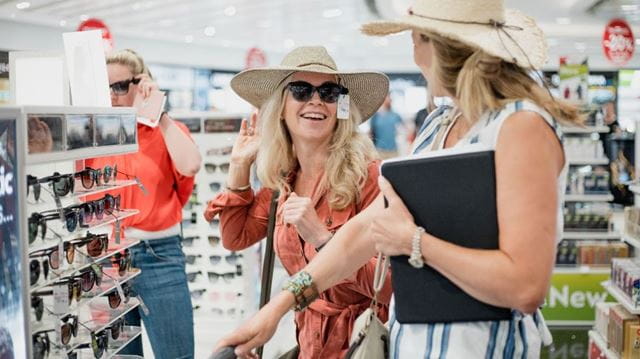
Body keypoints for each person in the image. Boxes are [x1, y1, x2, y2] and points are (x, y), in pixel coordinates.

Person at [214, 0, 583, 358]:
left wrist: (415, 243)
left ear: (437, 46)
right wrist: (278, 306)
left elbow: (525, 286)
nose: (413, 52)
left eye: (416, 38)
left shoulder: (519, 127)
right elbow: (361, 232)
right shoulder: (439, 125)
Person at [204, 46, 392, 358]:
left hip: (360, 344)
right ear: (280, 107)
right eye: (301, 90)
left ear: (340, 106)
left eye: (329, 92)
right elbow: (235, 238)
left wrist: (322, 238)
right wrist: (239, 168)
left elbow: (390, 286)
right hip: (309, 343)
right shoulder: (282, 183)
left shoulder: (368, 177)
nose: (316, 100)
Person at [86, 49, 201, 359]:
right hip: (104, 259)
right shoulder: (89, 135)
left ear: (142, 83)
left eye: (120, 87)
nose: (111, 96)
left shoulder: (163, 131)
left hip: (158, 255)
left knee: (176, 355)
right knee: (119, 356)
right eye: (104, 87)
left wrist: (157, 112)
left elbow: (190, 166)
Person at [369, 94, 404, 159]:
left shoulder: (395, 115)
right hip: (379, 150)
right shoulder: (375, 116)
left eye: (390, 98)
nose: (389, 100)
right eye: (387, 98)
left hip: (393, 150)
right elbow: (370, 133)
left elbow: (405, 128)